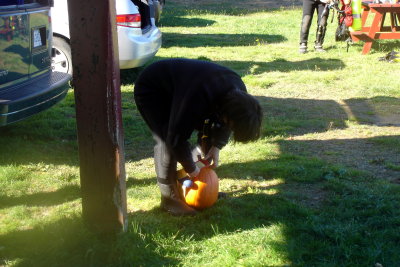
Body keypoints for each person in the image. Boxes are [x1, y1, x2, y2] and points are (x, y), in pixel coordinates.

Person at [134, 58, 263, 216]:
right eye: (233, 126)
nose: (232, 128)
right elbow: (176, 138)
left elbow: (223, 124)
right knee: (166, 139)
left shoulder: (238, 93)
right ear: (228, 114)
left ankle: (200, 189)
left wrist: (216, 146)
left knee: (204, 141)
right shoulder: (196, 97)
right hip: (155, 90)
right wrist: (190, 167)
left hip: (188, 88)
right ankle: (169, 198)